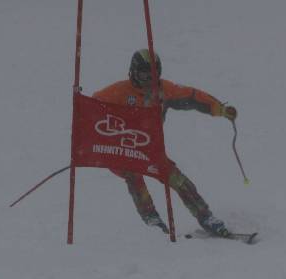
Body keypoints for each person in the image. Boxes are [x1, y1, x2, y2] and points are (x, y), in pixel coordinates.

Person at [93, 49, 237, 237]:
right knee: (133, 175)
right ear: (133, 72)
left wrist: (220, 109)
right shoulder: (119, 91)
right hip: (122, 149)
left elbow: (192, 97)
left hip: (149, 150)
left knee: (177, 179)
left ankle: (205, 216)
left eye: (154, 75)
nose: (149, 80)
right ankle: (151, 219)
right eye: (144, 75)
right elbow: (91, 105)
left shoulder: (163, 90)